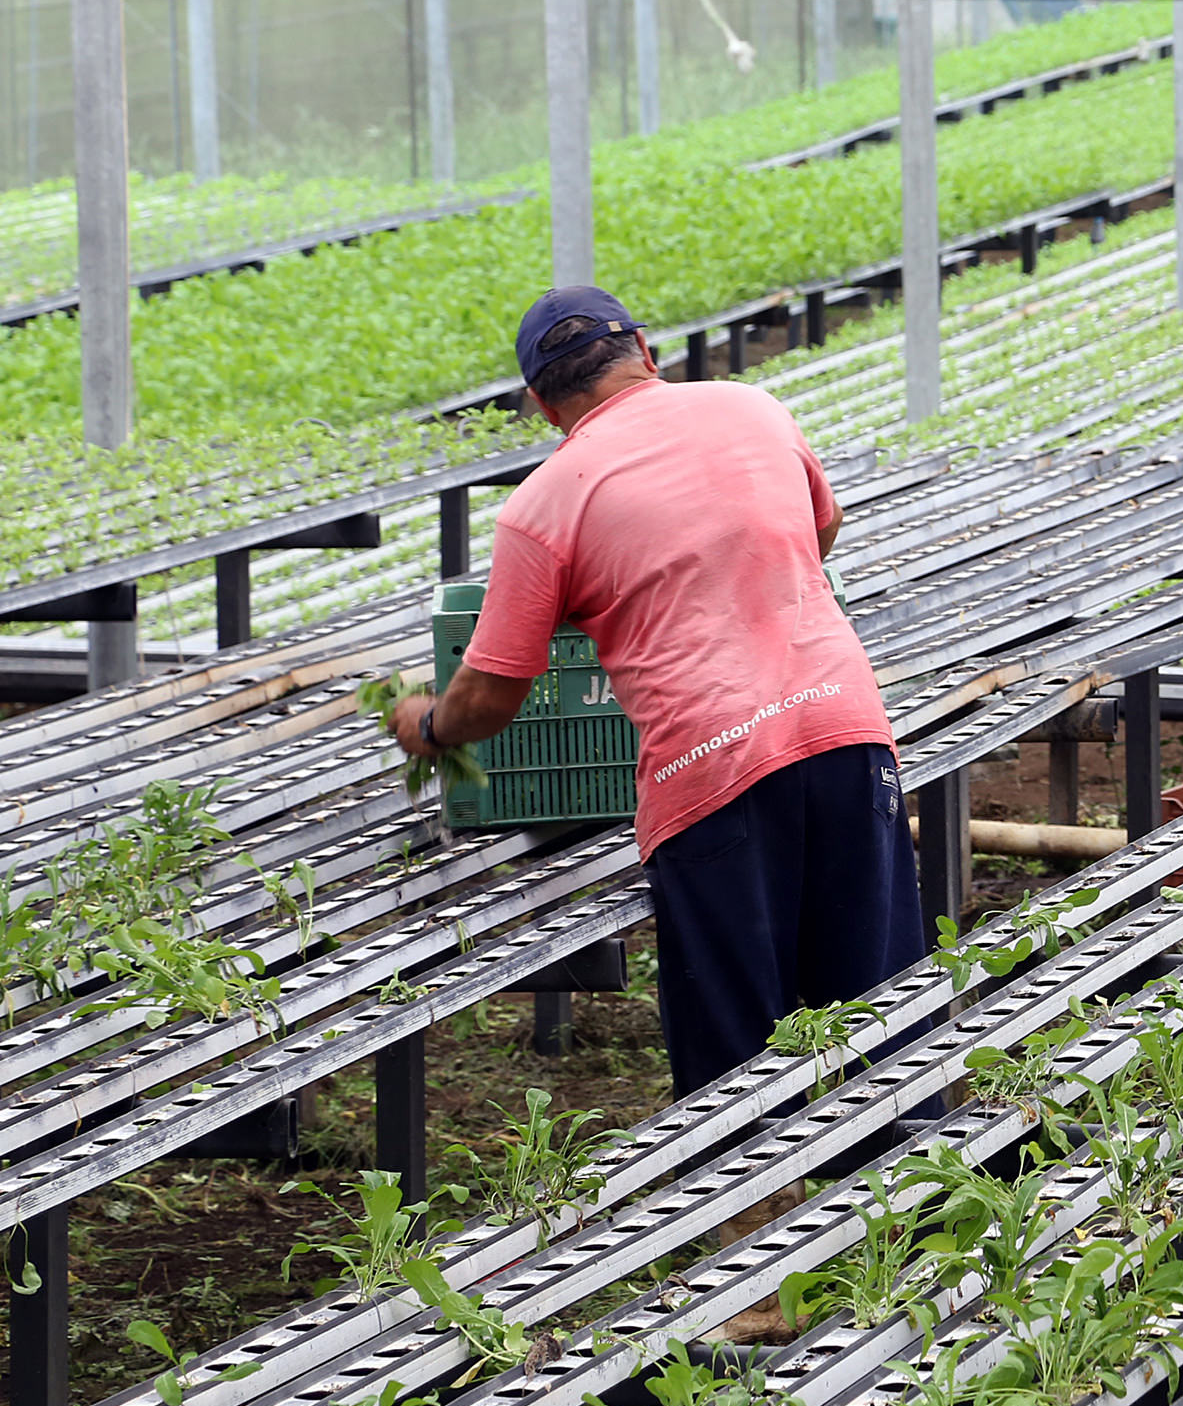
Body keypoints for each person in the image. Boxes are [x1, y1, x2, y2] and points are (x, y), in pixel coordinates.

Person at [389, 285, 928, 1094]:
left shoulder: (543, 506)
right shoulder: (754, 409)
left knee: (736, 1065)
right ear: (646, 349)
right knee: (883, 1020)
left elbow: (495, 690)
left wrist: (428, 724)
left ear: (542, 405)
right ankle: (912, 1203)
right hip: (845, 729)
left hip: (712, 772)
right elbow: (819, 531)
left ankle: (754, 1210)